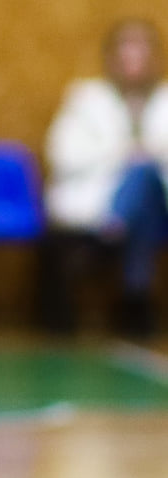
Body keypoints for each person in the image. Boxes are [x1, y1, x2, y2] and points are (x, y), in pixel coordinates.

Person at [43, 18, 168, 338]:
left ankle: (112, 232)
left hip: (161, 202)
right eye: (126, 49)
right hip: (102, 195)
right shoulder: (85, 101)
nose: (134, 58)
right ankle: (136, 300)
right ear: (111, 57)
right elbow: (63, 154)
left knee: (146, 178)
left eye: (142, 49)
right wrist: (123, 153)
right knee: (140, 190)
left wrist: (151, 155)